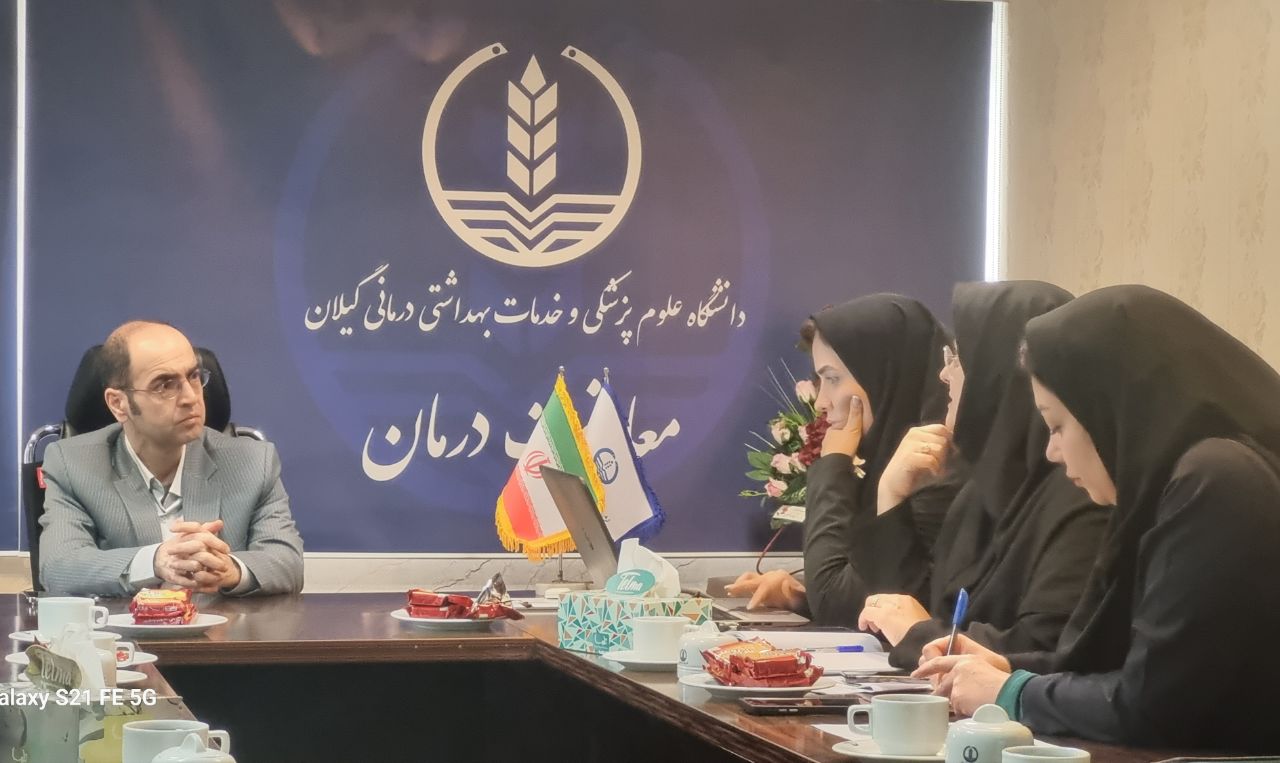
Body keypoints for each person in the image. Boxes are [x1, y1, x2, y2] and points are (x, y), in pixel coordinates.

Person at [914, 286, 1280, 752]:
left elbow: (1153, 706)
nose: (1052, 451)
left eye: (1057, 425)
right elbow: (1130, 668)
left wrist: (1010, 692)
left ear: (1111, 409)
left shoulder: (1216, 479)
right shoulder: (1182, 480)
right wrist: (1007, 666)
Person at [856, 281, 1107, 668]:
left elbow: (1047, 650)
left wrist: (921, 634)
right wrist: (890, 495)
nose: (944, 374)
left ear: (997, 371)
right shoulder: (981, 491)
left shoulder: (1082, 494)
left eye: (958, 358)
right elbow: (904, 612)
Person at [729, 294, 955, 626]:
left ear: (883, 375)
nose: (821, 402)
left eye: (833, 379)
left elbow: (838, 604)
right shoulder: (888, 463)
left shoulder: (935, 472)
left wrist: (833, 463)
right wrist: (801, 598)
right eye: (819, 381)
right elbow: (868, 597)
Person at [40, 321, 305, 597]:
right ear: (118, 403)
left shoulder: (253, 462)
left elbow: (288, 563)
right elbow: (59, 567)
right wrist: (154, 561)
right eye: (165, 385)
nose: (191, 397)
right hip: (124, 625)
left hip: (224, 625)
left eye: (193, 377)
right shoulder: (74, 465)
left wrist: (230, 570)